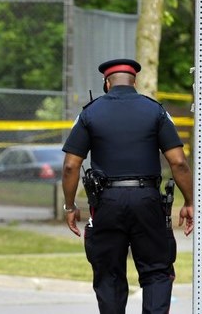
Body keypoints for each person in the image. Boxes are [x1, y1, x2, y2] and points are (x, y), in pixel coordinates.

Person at [61, 59, 194, 314]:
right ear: (135, 82)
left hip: (106, 204)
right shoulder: (156, 111)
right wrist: (189, 202)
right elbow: (178, 162)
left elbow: (70, 166)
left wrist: (70, 206)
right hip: (148, 201)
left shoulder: (89, 113)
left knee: (109, 275)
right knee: (156, 272)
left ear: (106, 83)